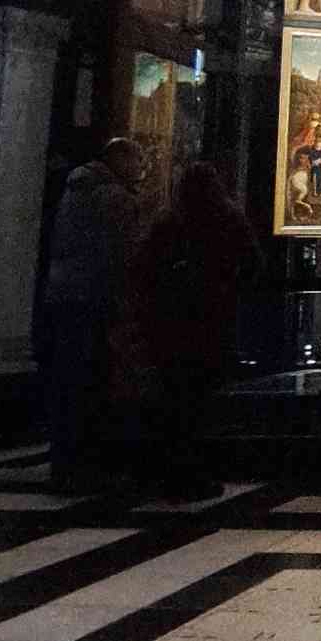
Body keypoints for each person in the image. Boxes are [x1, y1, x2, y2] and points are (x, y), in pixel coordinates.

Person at [121, 163, 258, 500]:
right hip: (211, 320)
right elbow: (253, 263)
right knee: (200, 400)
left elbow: (144, 266)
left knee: (172, 397)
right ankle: (195, 472)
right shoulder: (226, 219)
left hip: (171, 324)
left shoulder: (170, 222)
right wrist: (227, 286)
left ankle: (168, 470)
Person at [38, 138, 144, 493]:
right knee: (95, 378)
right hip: (98, 298)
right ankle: (90, 462)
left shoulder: (75, 190)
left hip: (65, 293)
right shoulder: (114, 198)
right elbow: (125, 252)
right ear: (120, 161)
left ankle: (65, 461)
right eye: (137, 160)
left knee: (69, 379)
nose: (142, 168)